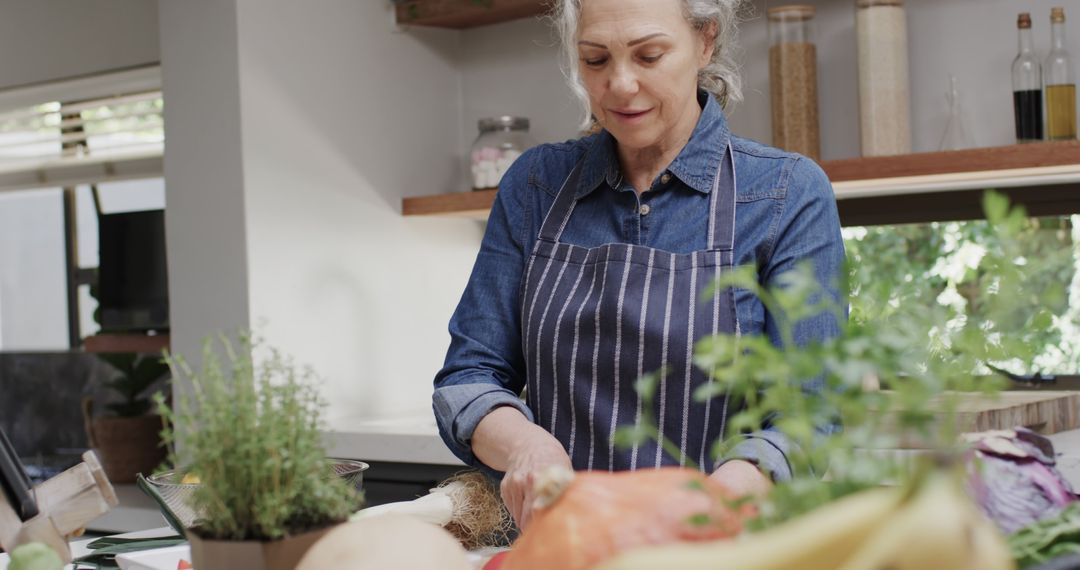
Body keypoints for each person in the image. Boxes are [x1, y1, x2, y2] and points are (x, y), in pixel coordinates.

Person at [433, 0, 845, 530]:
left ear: (705, 41)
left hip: (717, 549)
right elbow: (469, 377)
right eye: (596, 59)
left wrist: (717, 499)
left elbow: (809, 416)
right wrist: (527, 447)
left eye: (649, 56)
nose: (621, 85)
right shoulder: (536, 184)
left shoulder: (785, 193)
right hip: (561, 546)